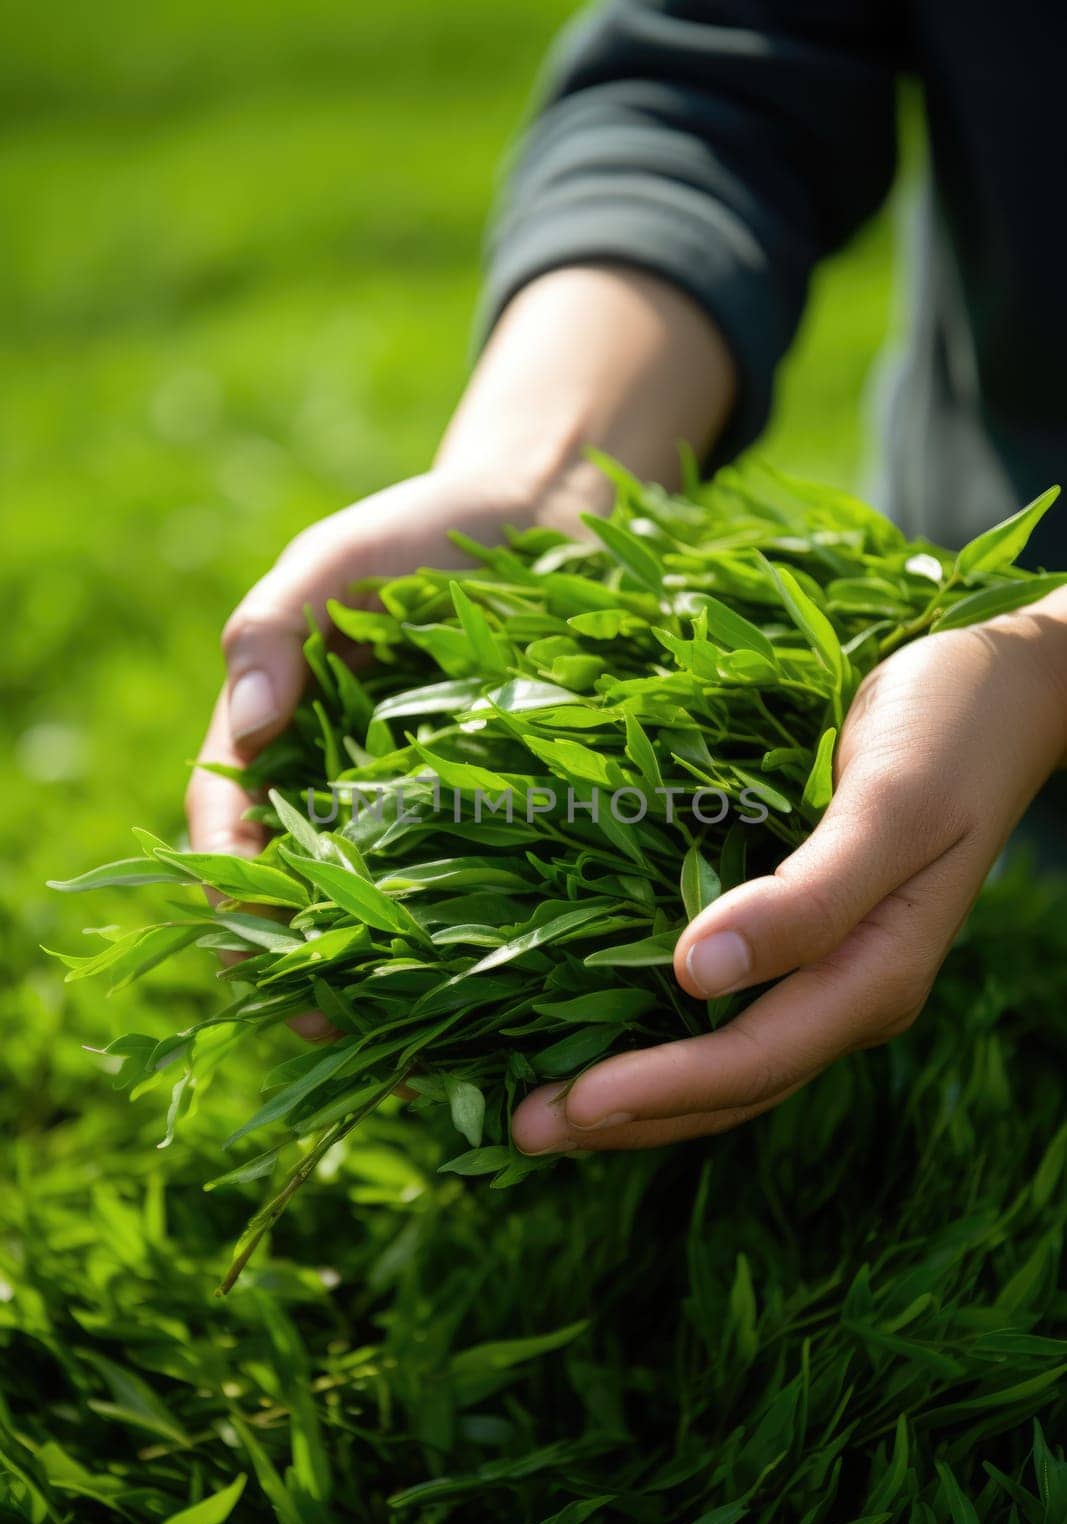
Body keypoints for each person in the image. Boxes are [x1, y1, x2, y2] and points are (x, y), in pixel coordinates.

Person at [186, 1, 1067, 1158]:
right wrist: (540, 473)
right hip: (944, 656)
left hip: (990, 678)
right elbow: (717, 73)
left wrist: (1044, 663)